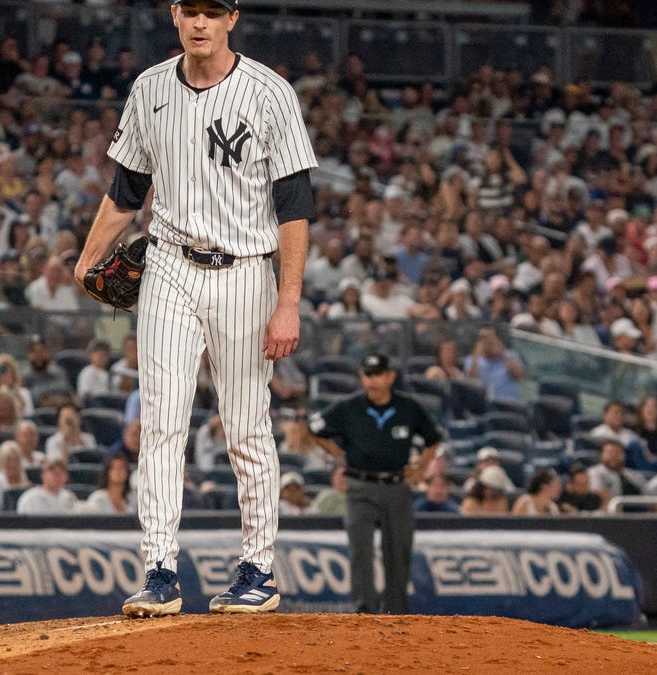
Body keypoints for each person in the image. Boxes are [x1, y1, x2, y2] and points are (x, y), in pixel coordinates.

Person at [73, 0, 317, 620]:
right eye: (192, 10)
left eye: (214, 11)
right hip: (170, 266)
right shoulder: (150, 87)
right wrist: (86, 258)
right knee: (160, 422)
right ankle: (160, 569)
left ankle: (258, 568)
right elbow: (126, 190)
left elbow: (294, 206)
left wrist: (288, 302)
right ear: (175, 14)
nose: (201, 23)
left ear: (232, 17)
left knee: (244, 426)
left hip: (244, 274)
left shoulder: (270, 92)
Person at [310, 353, 442, 614]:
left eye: (378, 374)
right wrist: (337, 453)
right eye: (368, 375)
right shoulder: (348, 407)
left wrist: (421, 469)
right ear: (362, 377)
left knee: (398, 551)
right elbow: (315, 427)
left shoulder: (408, 407)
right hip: (360, 485)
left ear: (390, 376)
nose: (373, 381)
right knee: (361, 550)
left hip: (396, 486)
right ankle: (364, 611)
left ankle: (397, 611)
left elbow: (433, 438)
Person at [0, 441, 32, 509]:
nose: (12, 464)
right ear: (2, 460)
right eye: (9, 460)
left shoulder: (25, 479)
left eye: (16, 460)